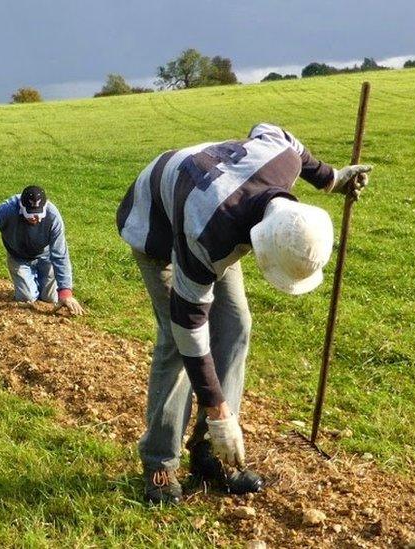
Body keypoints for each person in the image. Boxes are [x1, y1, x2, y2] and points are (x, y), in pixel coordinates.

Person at [116, 123, 371, 505]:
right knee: (176, 343)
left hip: (216, 207)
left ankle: (208, 454)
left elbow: (276, 133)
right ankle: (161, 463)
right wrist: (219, 410)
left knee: (236, 325)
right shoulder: (208, 236)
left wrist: (331, 179)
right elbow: (190, 326)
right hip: (159, 221)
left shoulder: (282, 161)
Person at [0, 185, 84, 315]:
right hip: (19, 258)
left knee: (50, 299)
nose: (35, 218)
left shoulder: (53, 217)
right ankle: (28, 285)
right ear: (21, 207)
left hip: (45, 257)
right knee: (26, 298)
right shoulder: (7, 209)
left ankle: (41, 285)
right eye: (30, 214)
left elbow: (60, 255)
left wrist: (65, 292)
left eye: (39, 213)